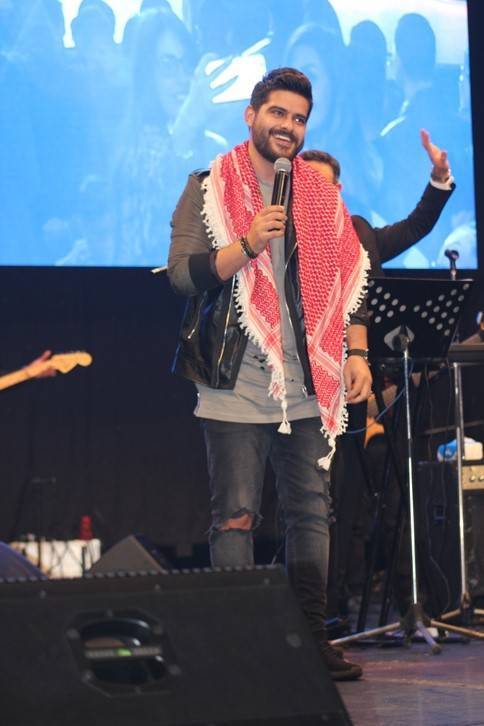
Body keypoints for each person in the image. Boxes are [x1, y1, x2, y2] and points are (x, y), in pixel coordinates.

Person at [168, 68, 372, 680]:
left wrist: (356, 353)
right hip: (234, 380)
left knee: (311, 514)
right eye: (278, 113)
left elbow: (350, 279)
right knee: (235, 517)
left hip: (308, 383)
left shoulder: (319, 193)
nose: (288, 126)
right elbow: (182, 274)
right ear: (252, 115)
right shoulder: (208, 186)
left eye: (299, 118)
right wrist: (248, 244)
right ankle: (241, 649)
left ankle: (311, 642)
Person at [300, 128, 454, 624]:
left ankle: (414, 604)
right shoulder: (285, 243)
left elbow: (414, 228)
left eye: (324, 185)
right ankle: (328, 609)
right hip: (314, 391)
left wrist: (437, 178)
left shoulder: (359, 234)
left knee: (395, 500)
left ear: (338, 190)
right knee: (334, 503)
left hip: (377, 387)